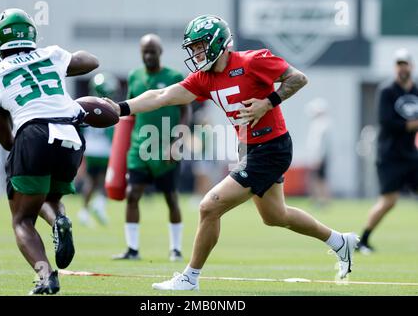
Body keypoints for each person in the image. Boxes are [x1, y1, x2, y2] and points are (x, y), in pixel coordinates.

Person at [106, 15, 359, 290]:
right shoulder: (205, 78)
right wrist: (120, 108)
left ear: (217, 43)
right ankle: (339, 241)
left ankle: (190, 278)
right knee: (276, 216)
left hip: (270, 147)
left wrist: (268, 102)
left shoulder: (252, 61)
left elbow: (298, 78)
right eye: (193, 48)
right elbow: (161, 95)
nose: (195, 53)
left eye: (199, 46)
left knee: (209, 206)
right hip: (250, 147)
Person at [0, 8, 99, 294]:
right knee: (51, 197)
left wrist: (18, 151)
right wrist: (61, 62)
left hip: (33, 133)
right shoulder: (52, 54)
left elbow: (3, 134)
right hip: (72, 133)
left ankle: (46, 276)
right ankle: (59, 220)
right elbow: (92, 61)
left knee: (22, 218)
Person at [112, 34, 191, 262]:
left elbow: (186, 110)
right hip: (139, 146)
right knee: (132, 194)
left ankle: (175, 249)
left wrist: (177, 141)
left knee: (171, 198)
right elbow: (129, 114)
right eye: (144, 51)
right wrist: (121, 147)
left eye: (152, 51)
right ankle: (132, 249)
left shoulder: (174, 77)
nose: (148, 56)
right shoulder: (134, 76)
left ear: (160, 52)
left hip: (166, 146)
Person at [357, 48, 418, 254]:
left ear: (412, 66)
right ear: (395, 67)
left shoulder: (416, 91)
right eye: (399, 64)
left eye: (405, 64)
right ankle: (363, 240)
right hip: (389, 155)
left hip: (411, 154)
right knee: (388, 202)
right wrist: (411, 125)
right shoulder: (387, 91)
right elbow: (386, 122)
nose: (402, 68)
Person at [77, 72, 117, 226]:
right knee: (105, 181)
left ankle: (85, 211)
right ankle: (99, 204)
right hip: (104, 150)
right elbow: (111, 132)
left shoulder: (85, 104)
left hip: (89, 149)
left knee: (90, 182)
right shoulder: (108, 107)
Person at [305, 98, 332, 209]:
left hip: (320, 157)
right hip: (317, 157)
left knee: (320, 180)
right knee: (317, 179)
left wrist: (318, 158)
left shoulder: (322, 124)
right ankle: (317, 199)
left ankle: (323, 201)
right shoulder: (318, 123)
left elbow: (321, 144)